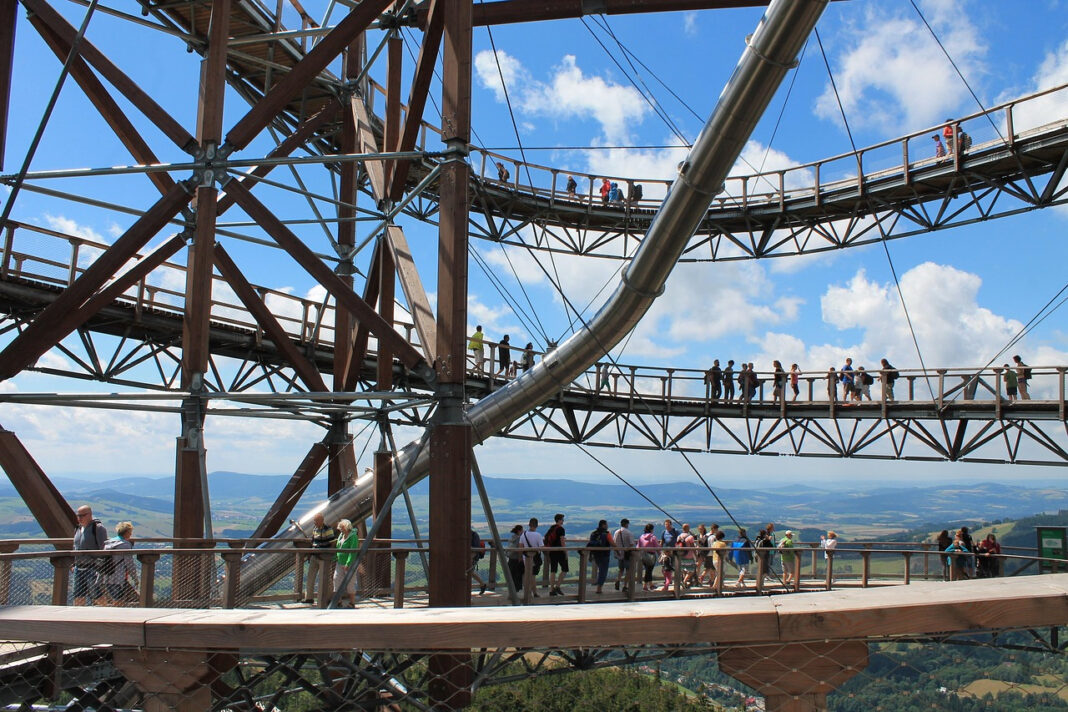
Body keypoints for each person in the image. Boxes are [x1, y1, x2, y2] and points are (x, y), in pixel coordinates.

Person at [293, 512, 335, 604]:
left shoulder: (328, 529)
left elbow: (332, 542)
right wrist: (310, 553)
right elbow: (313, 541)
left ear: (321, 520)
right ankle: (309, 598)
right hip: (315, 555)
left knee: (326, 578)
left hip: (324, 557)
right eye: (314, 521)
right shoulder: (315, 529)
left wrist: (327, 553)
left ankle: (328, 598)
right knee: (310, 577)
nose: (314, 522)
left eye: (316, 521)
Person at [72, 505, 107, 606]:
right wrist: (74, 564)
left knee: (97, 595)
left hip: (93, 568)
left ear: (90, 515)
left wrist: (98, 566)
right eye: (78, 515)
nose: (80, 518)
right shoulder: (77, 529)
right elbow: (75, 547)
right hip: (79, 568)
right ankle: (78, 618)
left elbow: (103, 548)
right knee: (78, 596)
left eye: (82, 515)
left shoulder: (98, 528)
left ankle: (107, 614)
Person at [101, 521, 138, 606]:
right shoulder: (125, 545)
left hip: (106, 575)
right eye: (130, 533)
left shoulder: (108, 544)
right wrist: (135, 578)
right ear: (127, 533)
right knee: (119, 600)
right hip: (119, 576)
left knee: (115, 597)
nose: (130, 535)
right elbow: (129, 564)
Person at [333, 519, 359, 608]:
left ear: (346, 527)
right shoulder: (341, 535)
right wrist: (335, 557)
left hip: (349, 564)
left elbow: (353, 551)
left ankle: (352, 602)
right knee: (336, 579)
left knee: (350, 583)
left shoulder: (353, 537)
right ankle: (338, 601)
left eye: (341, 527)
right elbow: (338, 548)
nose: (340, 529)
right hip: (340, 562)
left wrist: (348, 563)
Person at [520, 518, 545, 597]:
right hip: (535, 558)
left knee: (527, 574)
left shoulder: (523, 535)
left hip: (525, 558)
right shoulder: (538, 535)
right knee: (533, 576)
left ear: (529, 524)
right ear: (537, 525)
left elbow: (520, 547)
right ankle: (534, 592)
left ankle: (527, 591)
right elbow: (541, 547)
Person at [544, 513, 567, 596]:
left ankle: (551, 590)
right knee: (565, 569)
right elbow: (562, 541)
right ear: (559, 520)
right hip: (560, 551)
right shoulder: (561, 529)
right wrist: (565, 552)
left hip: (551, 551)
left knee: (553, 570)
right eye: (562, 519)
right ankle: (557, 586)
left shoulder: (552, 528)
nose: (563, 521)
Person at [588, 519, 614, 594]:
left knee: (601, 570)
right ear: (603, 525)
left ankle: (598, 585)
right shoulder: (607, 534)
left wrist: (591, 554)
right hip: (604, 555)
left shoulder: (594, 533)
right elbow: (612, 543)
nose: (607, 526)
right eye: (606, 524)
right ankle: (599, 588)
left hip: (596, 555)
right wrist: (619, 550)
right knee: (603, 572)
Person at [612, 518, 636, 591]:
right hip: (627, 554)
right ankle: (625, 586)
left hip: (619, 554)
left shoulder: (616, 532)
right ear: (626, 524)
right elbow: (631, 544)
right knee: (628, 570)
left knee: (621, 569)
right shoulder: (629, 533)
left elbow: (614, 542)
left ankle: (618, 580)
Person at [637, 523, 659, 591]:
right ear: (652, 529)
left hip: (643, 555)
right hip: (651, 555)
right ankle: (645, 585)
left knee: (647, 570)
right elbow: (657, 547)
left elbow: (638, 546)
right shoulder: (653, 537)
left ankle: (651, 584)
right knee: (649, 571)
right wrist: (661, 554)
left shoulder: (641, 537)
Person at [659, 519, 679, 590]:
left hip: (674, 552)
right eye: (665, 525)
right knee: (664, 568)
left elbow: (679, 540)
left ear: (671, 524)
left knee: (671, 567)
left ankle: (669, 582)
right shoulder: (664, 532)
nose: (666, 526)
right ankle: (667, 581)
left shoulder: (675, 531)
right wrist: (660, 550)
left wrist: (678, 549)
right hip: (665, 552)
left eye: (668, 524)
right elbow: (662, 541)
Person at [676, 523, 697, 588]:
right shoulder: (690, 537)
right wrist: (696, 555)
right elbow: (693, 547)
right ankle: (684, 581)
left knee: (684, 569)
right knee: (691, 570)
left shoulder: (679, 536)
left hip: (681, 555)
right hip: (689, 556)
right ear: (688, 529)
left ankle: (684, 583)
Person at [506, 524, 525, 595]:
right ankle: (516, 591)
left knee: (512, 575)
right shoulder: (519, 539)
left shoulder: (512, 538)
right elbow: (520, 548)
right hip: (517, 559)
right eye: (522, 530)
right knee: (517, 576)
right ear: (519, 531)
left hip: (511, 559)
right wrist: (520, 558)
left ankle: (511, 591)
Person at [470, 529, 487, 595]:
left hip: (473, 557)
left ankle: (482, 585)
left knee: (469, 572)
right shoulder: (473, 534)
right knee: (470, 573)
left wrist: (471, 558)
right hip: (470, 557)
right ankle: (482, 584)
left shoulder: (474, 535)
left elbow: (476, 549)